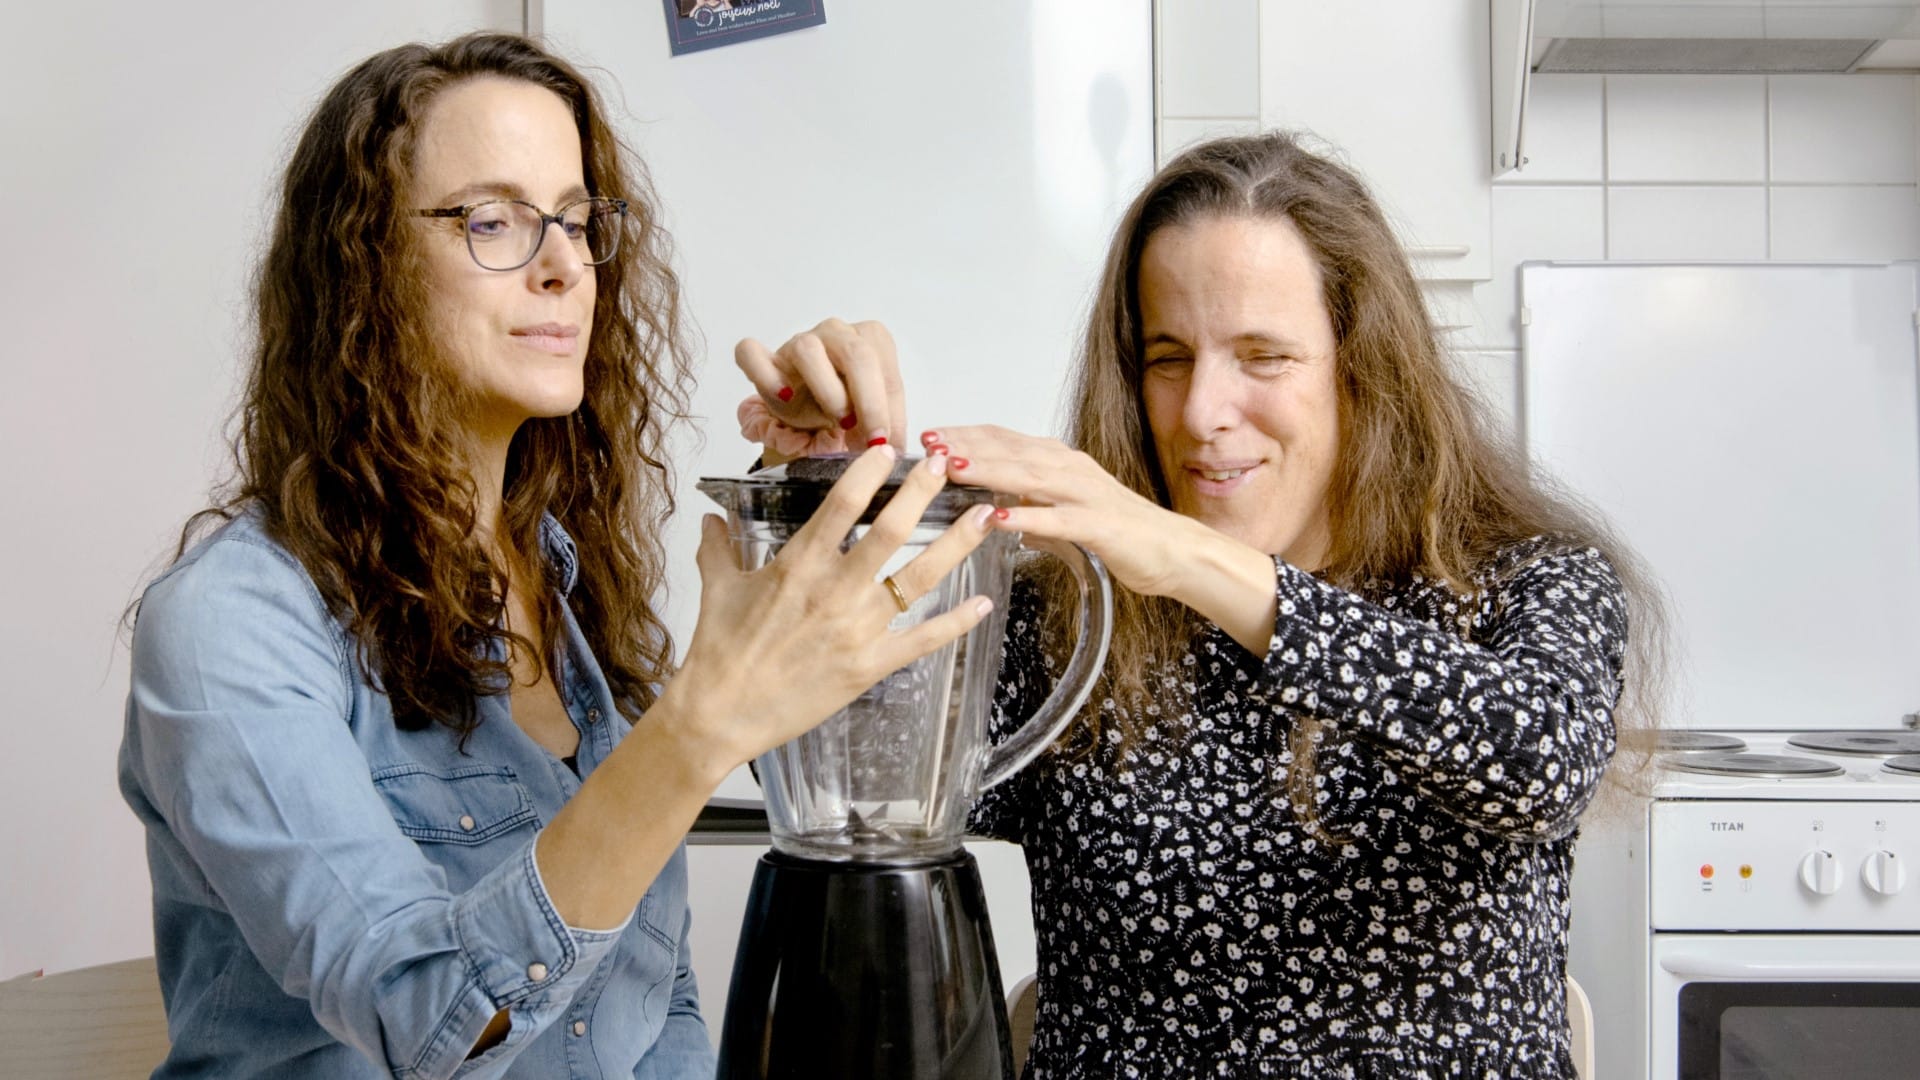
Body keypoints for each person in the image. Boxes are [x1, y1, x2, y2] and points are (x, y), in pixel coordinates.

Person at [118, 33, 993, 1079]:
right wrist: (695, 730)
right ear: (360, 268)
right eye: (492, 221)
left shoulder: (569, 591)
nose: (564, 265)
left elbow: (649, 1012)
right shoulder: (231, 624)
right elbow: (423, 1014)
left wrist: (811, 505)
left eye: (577, 221)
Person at [738, 131, 1665, 1078]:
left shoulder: (1527, 579)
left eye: (1263, 357)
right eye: (1168, 357)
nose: (1199, 413)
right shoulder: (1068, 619)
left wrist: (1188, 557)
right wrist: (821, 497)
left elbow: (1543, 760)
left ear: (1367, 369)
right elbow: (846, 763)